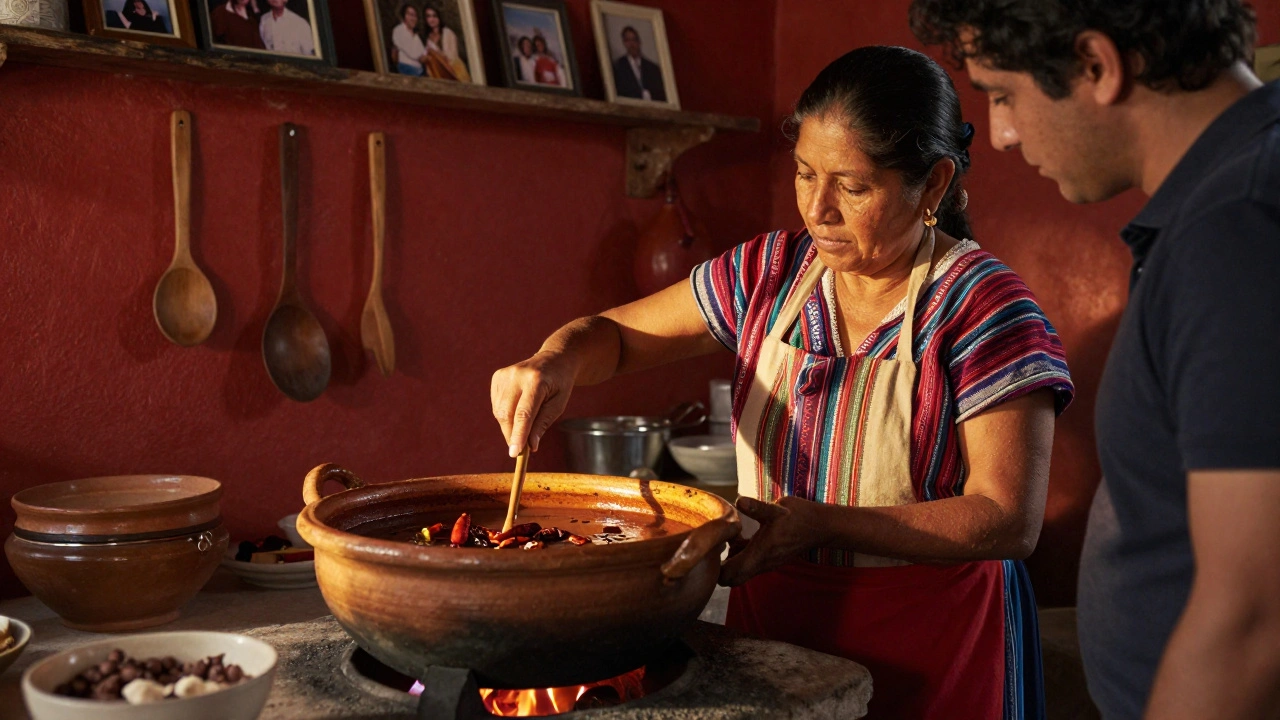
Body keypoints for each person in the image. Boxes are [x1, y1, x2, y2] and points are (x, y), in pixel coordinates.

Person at [492, 45, 1074, 719]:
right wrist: (555, 359)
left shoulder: (984, 307)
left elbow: (1007, 519)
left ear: (934, 184)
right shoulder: (770, 272)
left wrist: (822, 524)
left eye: (852, 187)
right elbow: (617, 338)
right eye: (804, 174)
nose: (817, 211)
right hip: (773, 629)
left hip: (930, 642)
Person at [909, 2, 1280, 719]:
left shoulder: (1237, 223)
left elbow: (1255, 618)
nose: (1005, 134)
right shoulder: (1228, 195)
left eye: (1004, 93)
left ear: (1096, 65)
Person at [611, 25, 665, 101]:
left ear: (639, 42)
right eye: (628, 40)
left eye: (634, 40)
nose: (632, 44)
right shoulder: (618, 67)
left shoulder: (652, 68)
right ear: (624, 43)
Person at [420, 6, 469, 82]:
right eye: (428, 16)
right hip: (438, 72)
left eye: (434, 16)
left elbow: (453, 57)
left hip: (454, 70)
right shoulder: (427, 39)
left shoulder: (448, 33)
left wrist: (436, 54)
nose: (432, 19)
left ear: (439, 18)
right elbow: (425, 57)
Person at [390, 3, 428, 76]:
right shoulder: (399, 30)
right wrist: (425, 57)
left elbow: (423, 52)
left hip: (419, 71)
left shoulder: (415, 34)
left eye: (415, 16)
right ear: (404, 16)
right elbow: (414, 54)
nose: (413, 18)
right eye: (410, 15)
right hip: (407, 69)